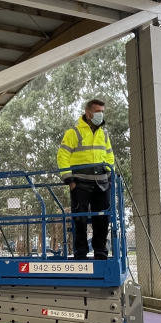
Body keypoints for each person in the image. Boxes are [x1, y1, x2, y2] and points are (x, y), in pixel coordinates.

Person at [57, 99, 115, 260]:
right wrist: (70, 180)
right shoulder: (73, 133)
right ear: (88, 113)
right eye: (98, 111)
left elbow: (109, 155)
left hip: (102, 183)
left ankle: (101, 253)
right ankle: (80, 253)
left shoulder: (104, 134)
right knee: (80, 220)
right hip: (80, 183)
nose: (101, 115)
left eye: (102, 111)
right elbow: (62, 156)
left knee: (102, 219)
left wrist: (110, 174)